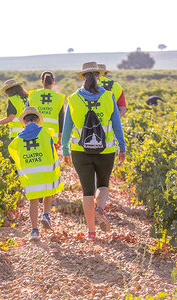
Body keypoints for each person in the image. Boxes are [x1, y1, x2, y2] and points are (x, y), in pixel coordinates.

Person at [62, 62, 126, 241]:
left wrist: (65, 150)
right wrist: (122, 147)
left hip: (80, 151)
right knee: (103, 184)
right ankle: (101, 208)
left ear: (82, 77)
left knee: (87, 191)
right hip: (106, 150)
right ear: (99, 76)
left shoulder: (73, 98)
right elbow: (116, 124)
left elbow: (66, 128)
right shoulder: (108, 97)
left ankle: (91, 232)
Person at [8, 107, 64, 240]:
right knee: (48, 194)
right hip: (45, 172)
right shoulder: (46, 132)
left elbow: (14, 153)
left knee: (33, 202)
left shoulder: (18, 139)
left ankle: (34, 231)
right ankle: (45, 215)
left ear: (24, 121)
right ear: (38, 120)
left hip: (30, 175)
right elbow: (52, 150)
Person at [28, 71, 65, 148]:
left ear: (42, 82)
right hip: (52, 135)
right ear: (53, 82)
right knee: (50, 158)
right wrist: (60, 135)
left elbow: (26, 113)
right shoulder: (59, 98)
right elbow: (61, 118)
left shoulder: (33, 95)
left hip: (35, 133)